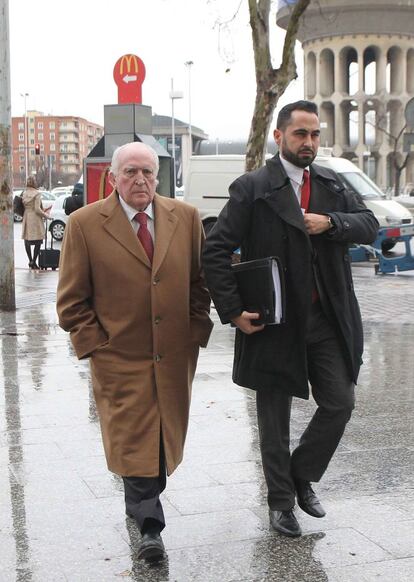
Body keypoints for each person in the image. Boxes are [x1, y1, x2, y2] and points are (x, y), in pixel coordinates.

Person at [202, 100, 379, 538]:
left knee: (340, 402)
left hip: (325, 318)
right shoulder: (253, 187)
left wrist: (330, 223)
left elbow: (369, 224)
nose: (309, 142)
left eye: (315, 134)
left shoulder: (331, 183)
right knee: (273, 418)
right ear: (279, 136)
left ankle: (301, 475)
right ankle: (281, 503)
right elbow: (215, 250)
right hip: (273, 319)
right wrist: (232, 312)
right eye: (301, 133)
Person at [56, 142, 213, 561]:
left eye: (147, 171)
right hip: (119, 358)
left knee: (159, 441)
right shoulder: (84, 225)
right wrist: (97, 348)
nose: (139, 179)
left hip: (175, 356)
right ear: (113, 178)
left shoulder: (186, 217)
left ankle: (143, 505)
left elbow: (200, 284)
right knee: (134, 439)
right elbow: (71, 301)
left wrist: (196, 330)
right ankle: (149, 527)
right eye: (130, 173)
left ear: (158, 176)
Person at [21, 176, 50, 269]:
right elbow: (37, 209)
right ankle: (34, 261)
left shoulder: (24, 193)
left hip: (26, 217)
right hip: (35, 218)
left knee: (27, 240)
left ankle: (30, 261)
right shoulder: (37, 194)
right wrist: (47, 216)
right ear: (34, 183)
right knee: (38, 241)